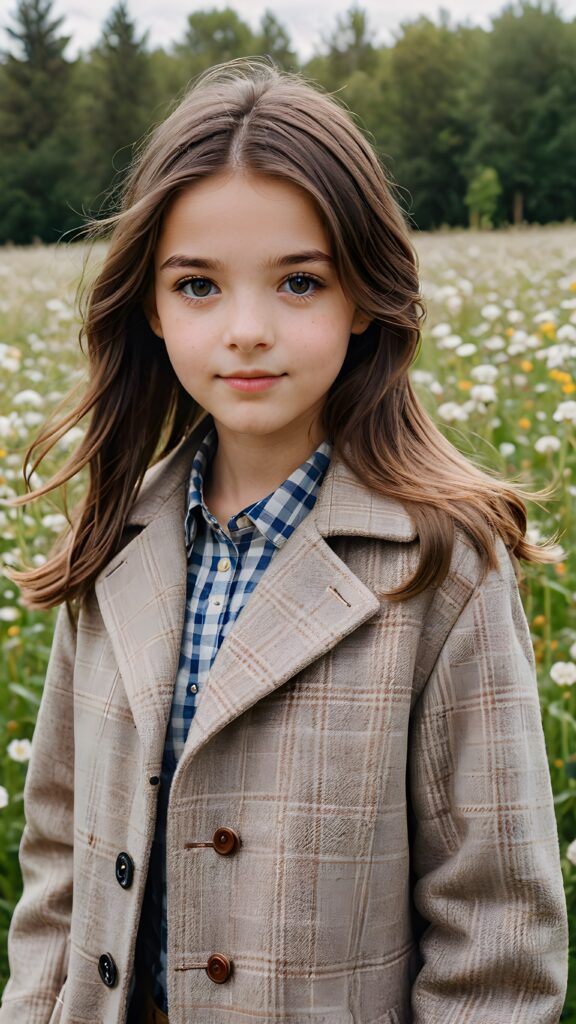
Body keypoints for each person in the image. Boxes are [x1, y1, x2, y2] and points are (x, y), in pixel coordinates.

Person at [0, 58, 568, 1024]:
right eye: (198, 286)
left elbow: (496, 937)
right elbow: (60, 858)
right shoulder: (112, 542)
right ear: (149, 304)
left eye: (299, 282)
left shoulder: (442, 565)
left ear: (365, 299)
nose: (247, 330)